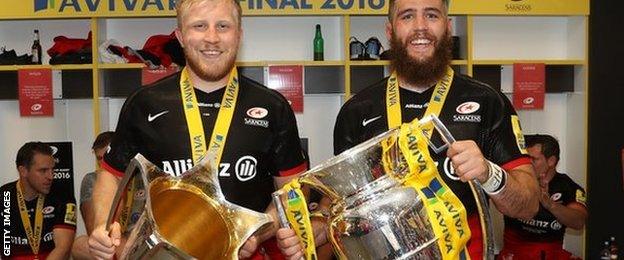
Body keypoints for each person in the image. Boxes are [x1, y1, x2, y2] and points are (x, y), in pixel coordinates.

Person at [277, 0, 540, 259]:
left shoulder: (487, 101)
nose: (420, 27)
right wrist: (317, 229)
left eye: (432, 15)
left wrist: (489, 173)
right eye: (407, 16)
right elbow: (337, 206)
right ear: (390, 31)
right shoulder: (357, 110)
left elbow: (528, 205)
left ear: (447, 27)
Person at [87, 0, 308, 259]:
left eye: (223, 26)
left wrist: (257, 232)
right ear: (181, 36)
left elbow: (292, 190)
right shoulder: (145, 102)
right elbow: (111, 176)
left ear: (239, 35)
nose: (212, 38)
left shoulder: (272, 106)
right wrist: (102, 225)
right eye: (199, 26)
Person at [499, 134, 588, 259]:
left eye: (533, 159)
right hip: (514, 253)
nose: (527, 164)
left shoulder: (568, 186)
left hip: (550, 253)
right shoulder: (513, 180)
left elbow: (579, 222)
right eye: (525, 159)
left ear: (551, 161)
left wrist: (551, 205)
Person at [1, 142, 77, 259]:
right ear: (23, 171)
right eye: (43, 170)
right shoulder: (4, 195)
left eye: (52, 170)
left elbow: (63, 248)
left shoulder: (62, 194)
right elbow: (5, 249)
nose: (50, 176)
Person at [71, 131, 114, 259]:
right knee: (79, 245)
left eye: (107, 156)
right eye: (99, 158)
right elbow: (94, 231)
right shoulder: (92, 180)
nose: (103, 163)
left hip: (139, 242)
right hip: (109, 244)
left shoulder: (138, 177)